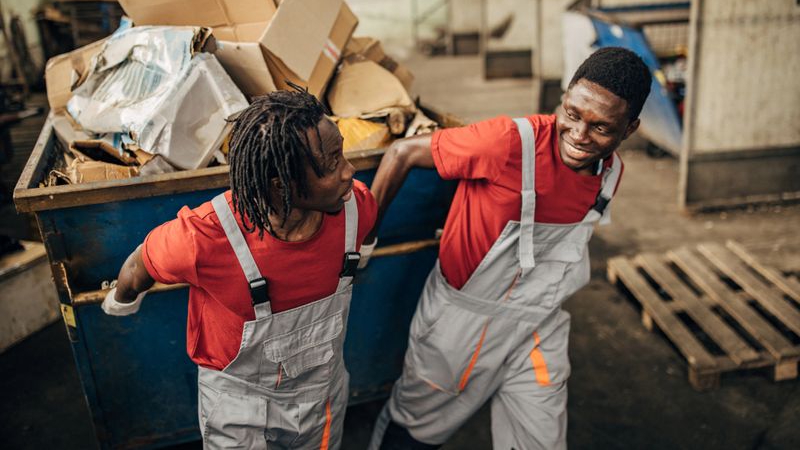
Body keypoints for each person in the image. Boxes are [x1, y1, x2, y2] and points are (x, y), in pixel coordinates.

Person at [367, 47, 651, 449]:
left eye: (601, 128)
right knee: (417, 430)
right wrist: (361, 241)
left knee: (539, 440)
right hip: (460, 324)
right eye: (572, 113)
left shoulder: (611, 174)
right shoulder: (508, 143)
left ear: (629, 128)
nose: (579, 135)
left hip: (538, 326)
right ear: (565, 97)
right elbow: (402, 152)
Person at [101, 89, 377, 449]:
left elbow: (368, 228)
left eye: (343, 154)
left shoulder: (357, 207)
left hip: (320, 395)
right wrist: (121, 299)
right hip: (238, 407)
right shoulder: (204, 237)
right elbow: (140, 264)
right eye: (332, 163)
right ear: (282, 183)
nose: (349, 172)